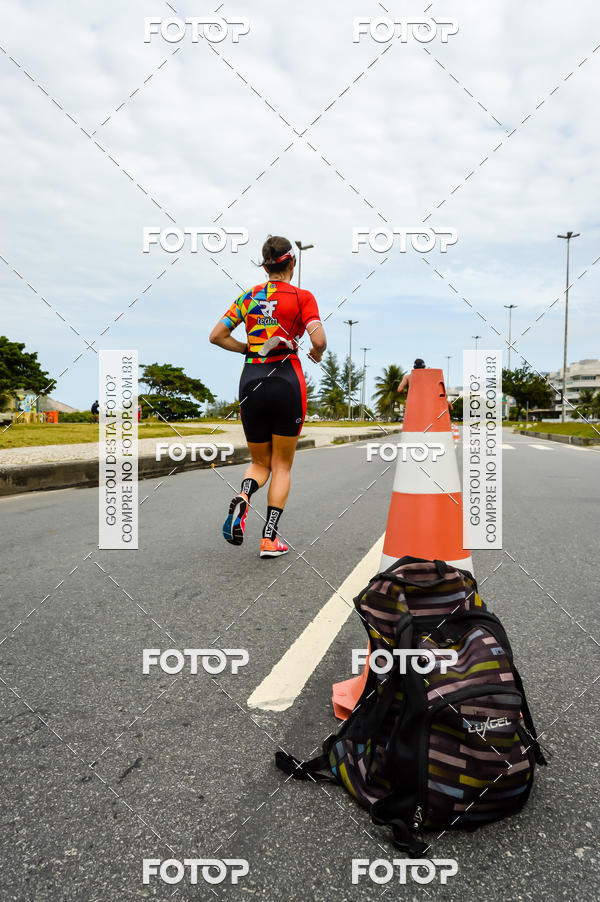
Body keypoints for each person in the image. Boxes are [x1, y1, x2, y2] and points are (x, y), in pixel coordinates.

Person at [209, 235, 327, 558]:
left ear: (265, 266)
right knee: (282, 466)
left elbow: (216, 336)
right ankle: (269, 539)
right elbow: (319, 339)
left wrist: (248, 348)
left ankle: (244, 499)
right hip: (287, 380)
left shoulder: (248, 298)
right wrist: (315, 352)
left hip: (251, 381)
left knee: (259, 463)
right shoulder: (303, 297)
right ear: (292, 263)